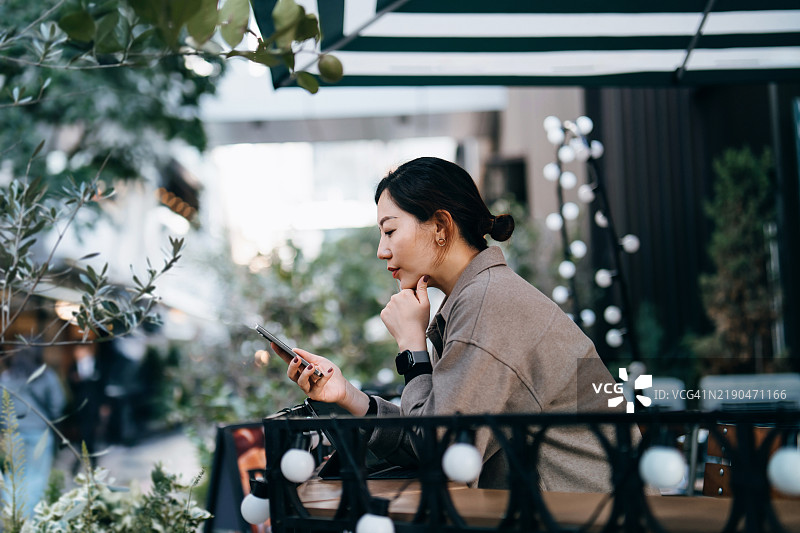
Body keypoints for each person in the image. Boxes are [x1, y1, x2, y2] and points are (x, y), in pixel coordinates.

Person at [275, 156, 625, 491]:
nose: (382, 250)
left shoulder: (489, 305)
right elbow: (431, 436)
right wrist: (348, 396)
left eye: (390, 231)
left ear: (441, 226)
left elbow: (441, 456)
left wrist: (412, 350)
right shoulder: (479, 297)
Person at [0, 344, 67, 516]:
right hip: (40, 433)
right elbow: (58, 403)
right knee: (37, 476)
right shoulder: (46, 376)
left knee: (13, 477)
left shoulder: (6, 377)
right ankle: (29, 519)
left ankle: (12, 519)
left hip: (13, 434)